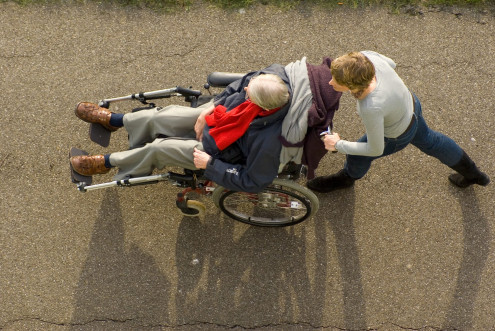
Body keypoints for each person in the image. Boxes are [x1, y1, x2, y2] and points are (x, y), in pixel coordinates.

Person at [70, 67, 291, 193]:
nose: (245, 89)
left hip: (221, 152)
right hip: (219, 114)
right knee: (162, 116)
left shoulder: (269, 142)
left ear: (262, 105)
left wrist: (210, 165)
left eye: (249, 93)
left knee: (159, 148)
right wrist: (210, 108)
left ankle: (107, 163)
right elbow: (241, 83)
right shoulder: (275, 78)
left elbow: (255, 181)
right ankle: (115, 121)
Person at [307, 51, 489, 193]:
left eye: (337, 81)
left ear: (354, 86)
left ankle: (346, 179)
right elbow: (391, 63)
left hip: (397, 133)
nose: (330, 83)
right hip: (411, 106)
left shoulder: (371, 106)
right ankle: (474, 174)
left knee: (357, 155)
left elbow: (374, 148)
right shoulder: (365, 59)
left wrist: (338, 145)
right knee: (432, 141)